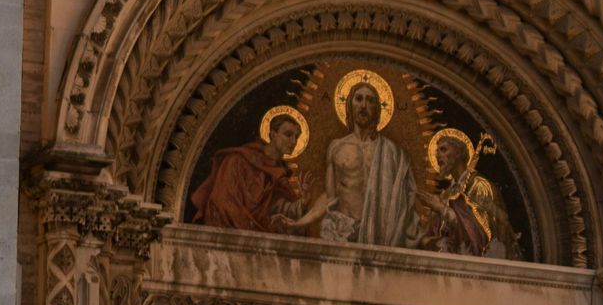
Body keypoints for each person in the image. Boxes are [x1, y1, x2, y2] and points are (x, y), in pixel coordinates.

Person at [291, 74, 420, 246]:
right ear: (349, 104)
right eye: (358, 99)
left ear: (377, 109)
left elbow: (407, 200)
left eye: (370, 101)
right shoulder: (337, 147)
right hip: (342, 230)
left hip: (381, 235)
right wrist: (299, 222)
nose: (364, 105)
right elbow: (330, 197)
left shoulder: (393, 153)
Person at [189, 105, 306, 233]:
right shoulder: (239, 160)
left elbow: (282, 212)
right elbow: (223, 202)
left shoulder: (281, 176)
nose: (294, 141)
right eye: (288, 135)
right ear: (273, 134)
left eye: (297, 136)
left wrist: (304, 202)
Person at [424, 128, 515, 258]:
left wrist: (443, 210)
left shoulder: (478, 185)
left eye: (443, 150)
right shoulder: (446, 194)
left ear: (458, 153)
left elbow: (483, 234)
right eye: (436, 151)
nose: (437, 155)